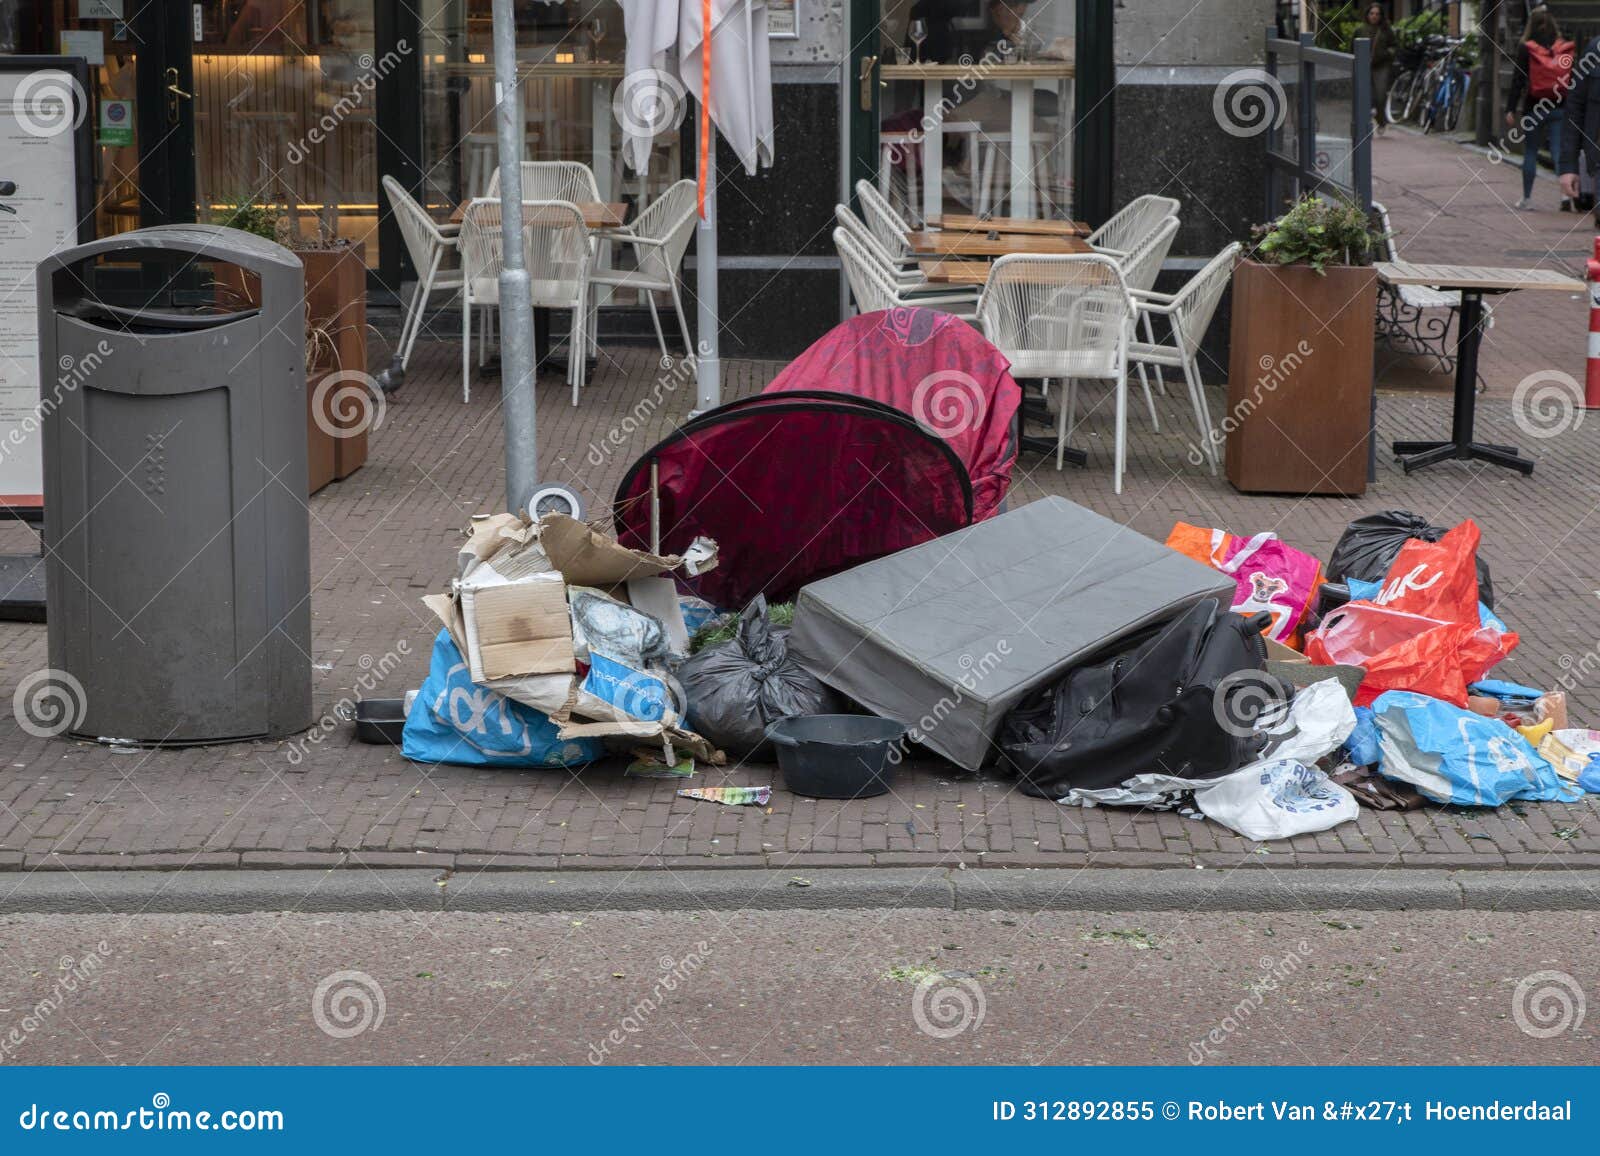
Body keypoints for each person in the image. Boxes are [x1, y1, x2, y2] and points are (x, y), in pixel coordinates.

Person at [1511, 6, 1574, 210]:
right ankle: (1566, 198)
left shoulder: (1526, 48)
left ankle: (1527, 198)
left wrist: (1510, 108)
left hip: (1533, 106)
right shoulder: (1563, 47)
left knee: (1530, 151)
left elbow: (1518, 80)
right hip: (1559, 106)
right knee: (1557, 151)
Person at [1356, 4, 1396, 136]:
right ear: (1367, 15)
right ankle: (1366, 127)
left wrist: (1387, 53)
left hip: (1382, 66)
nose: (1374, 16)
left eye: (1377, 14)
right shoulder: (1360, 30)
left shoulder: (1386, 30)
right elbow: (1352, 49)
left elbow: (1394, 46)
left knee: (1380, 95)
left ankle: (1381, 120)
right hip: (1364, 67)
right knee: (1365, 96)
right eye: (1372, 13)